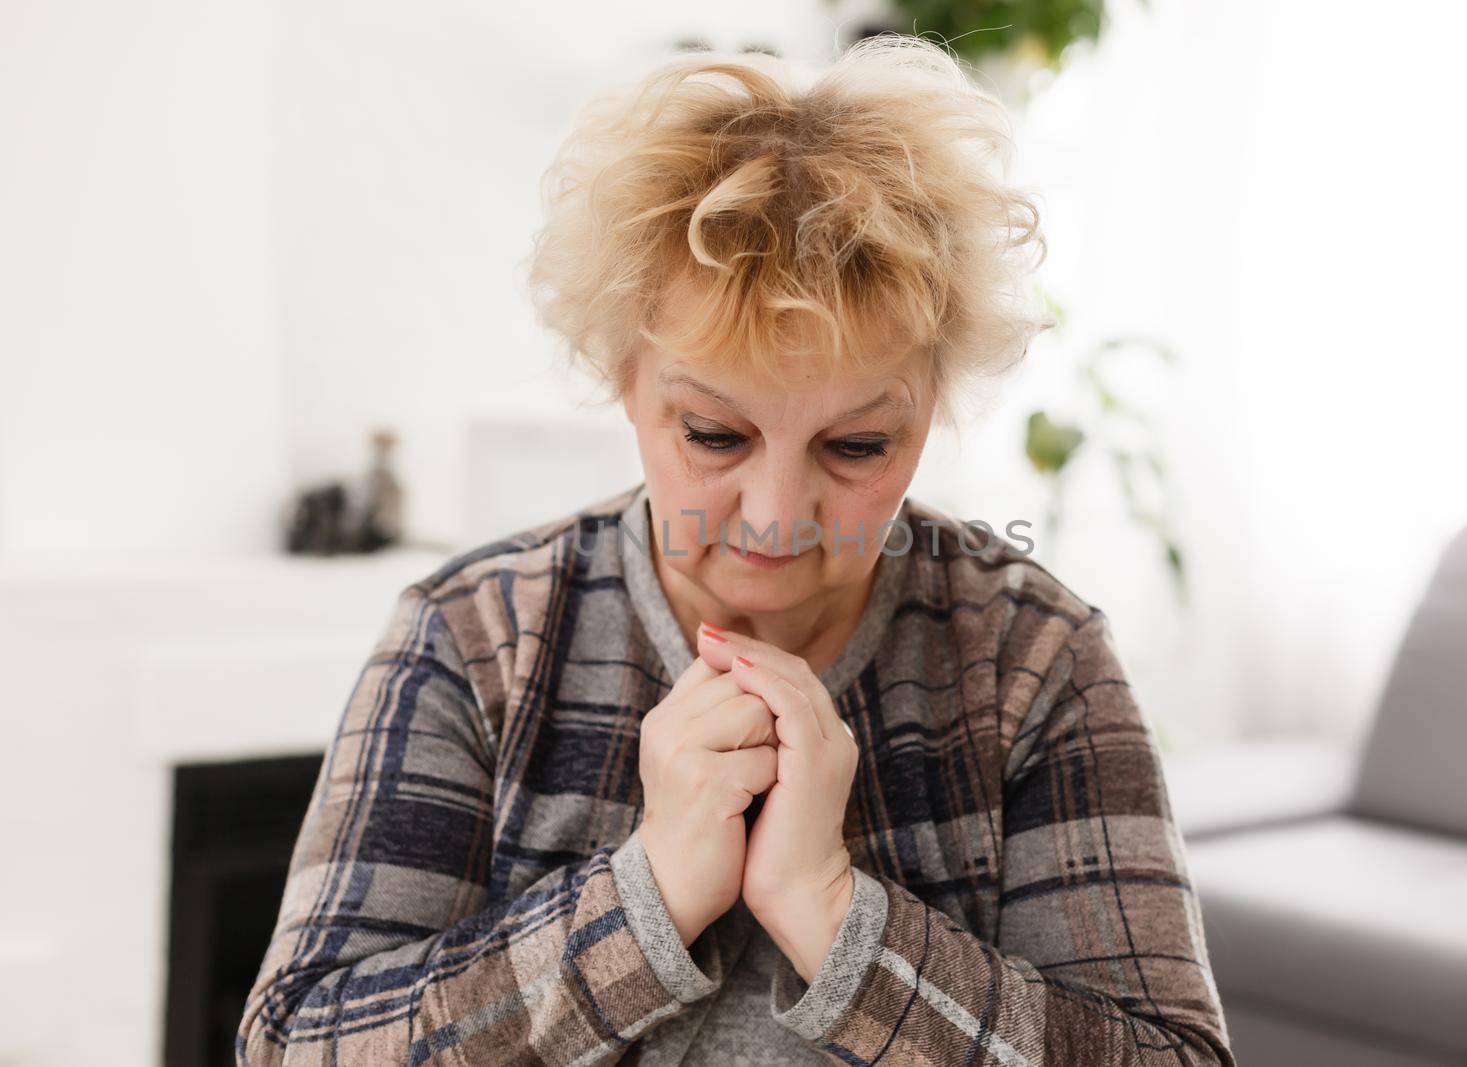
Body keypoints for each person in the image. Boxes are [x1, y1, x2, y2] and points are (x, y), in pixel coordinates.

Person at [237, 35, 1234, 1066]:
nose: (772, 517)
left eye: (856, 445)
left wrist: (836, 914)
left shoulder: (1035, 656)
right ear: (624, 377)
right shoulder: (477, 630)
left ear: (933, 405)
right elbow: (293, 1046)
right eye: (714, 434)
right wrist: (646, 895)